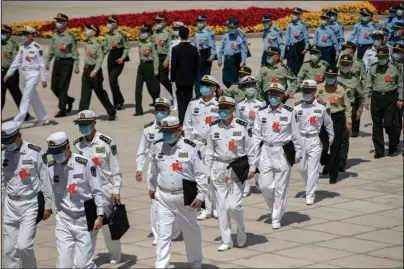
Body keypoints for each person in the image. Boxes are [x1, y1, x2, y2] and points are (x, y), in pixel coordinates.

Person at [149, 116, 207, 268]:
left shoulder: (191, 147)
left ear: (178, 130)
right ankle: (161, 265)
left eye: (170, 132)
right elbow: (153, 170)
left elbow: (201, 174)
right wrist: (151, 187)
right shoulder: (157, 146)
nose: (166, 135)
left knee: (190, 231)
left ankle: (195, 261)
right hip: (164, 196)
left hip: (185, 196)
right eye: (164, 132)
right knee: (163, 233)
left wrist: (201, 196)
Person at [46, 131, 104, 268]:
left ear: (67, 147)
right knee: (63, 265)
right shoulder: (50, 167)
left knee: (82, 264)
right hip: (64, 220)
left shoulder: (85, 164)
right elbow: (47, 190)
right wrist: (47, 207)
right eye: (52, 152)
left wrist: (100, 215)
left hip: (85, 220)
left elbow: (97, 190)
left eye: (57, 151)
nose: (55, 156)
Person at [248, 83, 302, 229]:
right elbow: (256, 135)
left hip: (282, 151)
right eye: (271, 94)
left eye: (276, 94)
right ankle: (275, 209)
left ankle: (276, 216)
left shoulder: (289, 112)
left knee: (281, 187)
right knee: (265, 186)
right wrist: (252, 157)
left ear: (282, 96)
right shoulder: (261, 112)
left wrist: (298, 152)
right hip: (266, 150)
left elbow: (295, 134)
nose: (273, 97)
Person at [72, 110, 122, 264]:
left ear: (94, 123)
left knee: (108, 225)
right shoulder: (78, 144)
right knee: (89, 226)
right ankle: (84, 259)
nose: (83, 127)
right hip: (87, 191)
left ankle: (115, 253)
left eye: (86, 124)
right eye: (81, 125)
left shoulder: (106, 142)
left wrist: (116, 190)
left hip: (105, 187)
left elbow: (115, 168)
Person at [1, 121, 52, 268]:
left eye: (10, 140)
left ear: (19, 136)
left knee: (23, 246)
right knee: (10, 250)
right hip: (10, 205)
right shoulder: (3, 154)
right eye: (5, 141)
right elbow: (2, 180)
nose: (8, 144)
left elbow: (45, 180)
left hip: (30, 204)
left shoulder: (35, 152)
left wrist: (48, 205)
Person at [205, 96, 252, 251]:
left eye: (226, 108)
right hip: (219, 167)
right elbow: (209, 152)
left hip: (237, 166)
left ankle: (240, 228)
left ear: (233, 109)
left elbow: (250, 149)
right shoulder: (213, 127)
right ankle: (226, 240)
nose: (223, 111)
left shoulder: (241, 126)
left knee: (234, 206)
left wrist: (252, 168)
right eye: (221, 108)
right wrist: (207, 171)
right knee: (222, 207)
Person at [136, 98, 181, 245]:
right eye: (158, 109)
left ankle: (174, 230)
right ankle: (158, 234)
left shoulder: (176, 127)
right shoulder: (148, 129)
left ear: (169, 110)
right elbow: (142, 151)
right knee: (155, 202)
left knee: (175, 201)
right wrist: (139, 168)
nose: (160, 112)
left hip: (174, 167)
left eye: (163, 109)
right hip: (155, 167)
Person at [183, 75, 220, 221]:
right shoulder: (194, 104)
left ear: (214, 88)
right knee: (200, 177)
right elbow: (187, 124)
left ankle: (215, 207)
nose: (203, 88)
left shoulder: (218, 105)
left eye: (207, 86)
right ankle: (204, 207)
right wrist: (190, 144)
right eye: (202, 85)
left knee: (213, 176)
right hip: (197, 145)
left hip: (213, 146)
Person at [294, 80, 333, 205]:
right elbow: (292, 126)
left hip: (315, 139)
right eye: (303, 91)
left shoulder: (322, 106)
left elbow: (328, 123)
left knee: (313, 169)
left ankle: (310, 194)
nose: (305, 94)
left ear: (314, 91)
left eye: (308, 91)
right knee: (302, 168)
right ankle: (310, 184)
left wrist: (331, 136)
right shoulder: (297, 107)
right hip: (301, 139)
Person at [4, 26, 49, 127]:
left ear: (32, 35)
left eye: (26, 34)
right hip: (25, 74)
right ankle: (43, 118)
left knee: (26, 98)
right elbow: (16, 61)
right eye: (23, 34)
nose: (23, 36)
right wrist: (8, 74)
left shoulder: (37, 48)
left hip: (34, 74)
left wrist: (44, 79)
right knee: (33, 97)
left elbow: (42, 64)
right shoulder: (22, 47)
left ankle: (17, 122)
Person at [365, 47, 403, 158]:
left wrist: (400, 98)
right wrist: (367, 100)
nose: (381, 59)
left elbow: (400, 84)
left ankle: (393, 145)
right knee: (376, 126)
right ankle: (379, 151)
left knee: (388, 124)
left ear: (388, 57)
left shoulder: (394, 68)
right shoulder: (373, 68)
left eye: (383, 57)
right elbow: (368, 85)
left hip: (390, 98)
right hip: (376, 98)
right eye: (379, 57)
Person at [317, 66, 352, 184]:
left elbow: (348, 107)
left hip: (337, 118)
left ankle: (333, 176)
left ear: (336, 77)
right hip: (322, 119)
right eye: (328, 76)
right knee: (320, 146)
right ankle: (327, 162)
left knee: (335, 148)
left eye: (332, 77)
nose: (329, 78)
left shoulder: (342, 89)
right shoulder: (319, 87)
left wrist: (348, 122)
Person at [235, 75, 265, 197]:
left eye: (252, 86)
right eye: (248, 86)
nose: (250, 88)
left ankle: (259, 181)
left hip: (258, 135)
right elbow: (237, 121)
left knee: (258, 158)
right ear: (244, 88)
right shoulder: (240, 105)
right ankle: (245, 186)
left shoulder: (261, 103)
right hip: (246, 135)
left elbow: (264, 120)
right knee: (246, 160)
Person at [79, 24, 116, 121]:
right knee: (84, 94)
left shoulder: (98, 43)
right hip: (86, 70)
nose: (87, 30)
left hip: (95, 71)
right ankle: (82, 116)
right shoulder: (87, 42)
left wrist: (95, 70)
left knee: (100, 92)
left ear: (94, 32)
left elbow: (100, 59)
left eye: (89, 29)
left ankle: (111, 111)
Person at [45, 13, 77, 117]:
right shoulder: (55, 34)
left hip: (67, 62)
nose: (57, 23)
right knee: (54, 86)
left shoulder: (70, 36)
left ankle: (62, 110)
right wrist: (47, 62)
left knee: (63, 86)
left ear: (65, 23)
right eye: (57, 21)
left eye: (60, 21)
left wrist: (76, 65)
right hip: (57, 62)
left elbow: (74, 52)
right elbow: (51, 49)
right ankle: (68, 100)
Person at [338, 55, 365, 172]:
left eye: (347, 64)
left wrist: (359, 110)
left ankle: (341, 162)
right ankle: (333, 159)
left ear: (350, 65)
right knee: (333, 137)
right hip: (336, 109)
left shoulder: (355, 80)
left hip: (350, 109)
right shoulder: (334, 77)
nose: (344, 66)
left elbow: (361, 96)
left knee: (344, 138)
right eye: (342, 63)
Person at [1, 25, 32, 121]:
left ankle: (25, 114)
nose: (1, 34)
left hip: (11, 73)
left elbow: (17, 59)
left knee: (16, 94)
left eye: (3, 33)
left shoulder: (13, 44)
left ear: (9, 34)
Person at [171, 27, 199, 124]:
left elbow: (173, 66)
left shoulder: (175, 49)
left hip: (179, 79)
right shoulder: (193, 49)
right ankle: (189, 120)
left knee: (181, 101)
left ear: (179, 35)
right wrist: (196, 78)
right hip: (190, 79)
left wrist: (173, 78)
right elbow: (196, 65)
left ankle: (182, 120)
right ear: (188, 35)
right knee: (189, 100)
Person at [104, 15, 130, 111]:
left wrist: (123, 58)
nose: (108, 24)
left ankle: (120, 100)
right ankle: (116, 103)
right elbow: (105, 48)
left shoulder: (121, 34)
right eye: (108, 22)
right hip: (111, 57)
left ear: (115, 24)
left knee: (112, 79)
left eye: (110, 22)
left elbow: (127, 47)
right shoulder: (107, 35)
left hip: (119, 57)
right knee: (112, 82)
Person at [134, 23, 160, 116]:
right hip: (142, 66)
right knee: (138, 89)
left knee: (152, 89)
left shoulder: (152, 43)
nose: (142, 33)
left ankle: (158, 106)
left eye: (144, 32)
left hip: (150, 66)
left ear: (149, 33)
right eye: (142, 32)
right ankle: (138, 110)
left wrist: (156, 69)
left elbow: (155, 56)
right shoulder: (140, 42)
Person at [218, 18, 248, 88]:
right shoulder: (225, 36)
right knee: (225, 80)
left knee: (233, 80)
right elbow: (221, 48)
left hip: (235, 59)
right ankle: (230, 89)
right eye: (229, 27)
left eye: (233, 28)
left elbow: (244, 50)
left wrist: (243, 61)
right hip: (227, 59)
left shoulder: (240, 36)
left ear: (236, 27)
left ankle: (233, 93)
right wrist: (219, 59)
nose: (231, 29)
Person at [194, 15, 217, 98]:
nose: (199, 23)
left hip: (206, 54)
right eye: (198, 21)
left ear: (205, 22)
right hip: (198, 55)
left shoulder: (209, 33)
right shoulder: (196, 33)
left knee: (205, 77)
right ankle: (198, 95)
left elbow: (213, 46)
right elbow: (195, 45)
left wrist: (212, 56)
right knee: (197, 77)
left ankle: (206, 94)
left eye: (201, 21)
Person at [152, 14, 174, 102]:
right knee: (156, 80)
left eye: (159, 22)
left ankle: (174, 94)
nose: (157, 23)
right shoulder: (155, 33)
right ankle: (156, 99)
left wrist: (167, 60)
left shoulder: (168, 33)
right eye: (156, 22)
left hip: (164, 57)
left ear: (164, 23)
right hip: (156, 58)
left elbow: (170, 48)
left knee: (164, 79)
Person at [284, 7, 310, 75]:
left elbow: (306, 37)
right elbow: (287, 36)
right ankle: (290, 80)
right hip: (291, 47)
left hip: (299, 48)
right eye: (293, 14)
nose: (294, 15)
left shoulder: (303, 25)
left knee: (298, 66)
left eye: (296, 14)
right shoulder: (290, 24)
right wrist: (285, 46)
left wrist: (306, 47)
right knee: (289, 65)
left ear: (299, 15)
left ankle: (297, 81)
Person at [167, 21, 185, 111]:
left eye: (176, 29)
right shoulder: (172, 42)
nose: (174, 31)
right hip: (173, 68)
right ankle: (176, 103)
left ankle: (183, 102)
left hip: (181, 68)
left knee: (183, 86)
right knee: (174, 86)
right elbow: (170, 56)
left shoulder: (183, 42)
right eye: (174, 29)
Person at [391, 43, 403, 143]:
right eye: (395, 51)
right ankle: (396, 138)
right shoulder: (388, 65)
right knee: (396, 118)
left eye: (398, 52)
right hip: (394, 95)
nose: (396, 54)